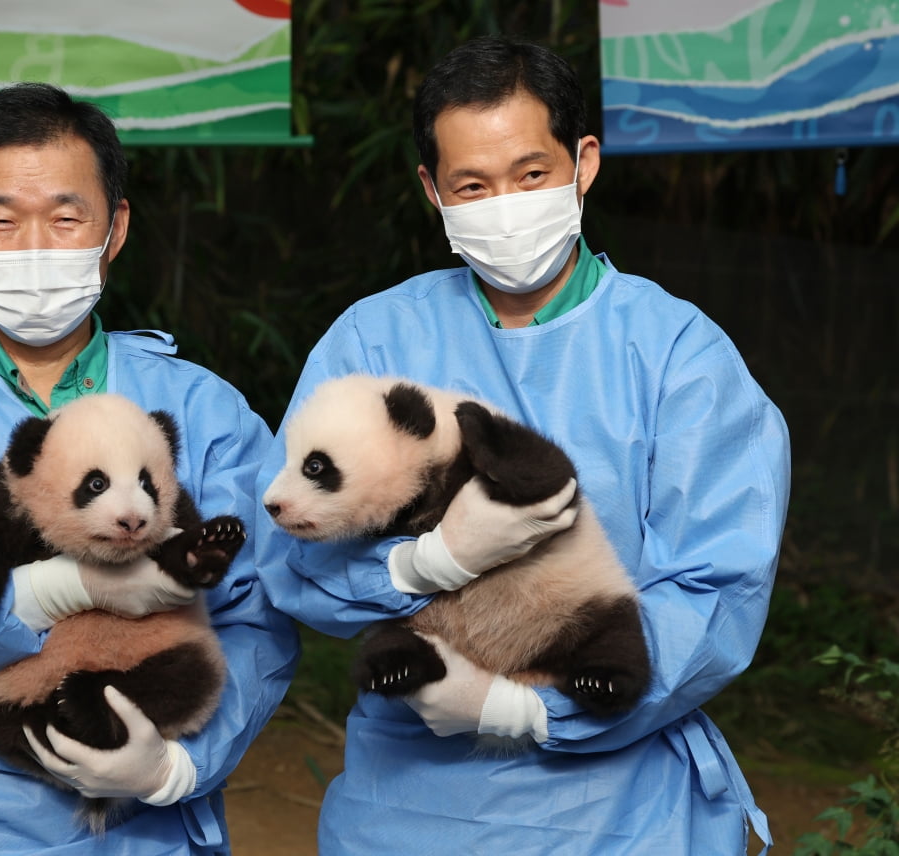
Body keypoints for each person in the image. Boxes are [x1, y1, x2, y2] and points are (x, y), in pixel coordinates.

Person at [254, 35, 789, 854]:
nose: (503, 201)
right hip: (407, 811)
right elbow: (286, 556)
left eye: (531, 174)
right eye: (473, 184)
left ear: (584, 162)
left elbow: (717, 594)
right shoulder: (373, 341)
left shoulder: (678, 355)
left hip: (616, 816)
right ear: (432, 189)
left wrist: (530, 710)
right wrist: (421, 566)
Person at [0, 83, 299, 855]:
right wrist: (51, 590)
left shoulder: (202, 410)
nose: (34, 247)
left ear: (116, 227)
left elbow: (259, 616)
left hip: (155, 835)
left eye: (67, 219)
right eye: (0, 220)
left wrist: (176, 766)